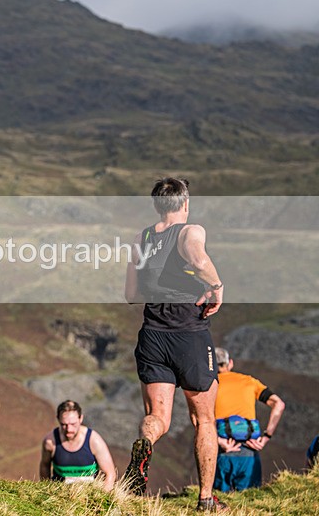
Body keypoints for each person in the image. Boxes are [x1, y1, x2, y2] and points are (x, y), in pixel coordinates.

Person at [123, 177, 227, 511]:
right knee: (204, 419)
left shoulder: (142, 238)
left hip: (153, 333)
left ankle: (145, 442)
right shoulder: (189, 231)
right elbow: (197, 259)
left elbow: (131, 295)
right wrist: (216, 286)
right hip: (189, 335)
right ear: (185, 203)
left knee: (158, 417)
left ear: (156, 205)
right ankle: (206, 498)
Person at [213, 347, 285, 492]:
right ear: (230, 363)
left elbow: (198, 419)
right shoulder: (249, 381)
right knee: (249, 504)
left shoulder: (209, 385)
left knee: (217, 505)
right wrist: (266, 436)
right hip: (249, 451)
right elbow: (279, 404)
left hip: (221, 452)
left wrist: (219, 441)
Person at [39, 400, 116, 491]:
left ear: (81, 419)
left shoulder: (94, 441)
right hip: (59, 495)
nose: (69, 429)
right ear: (58, 419)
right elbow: (44, 465)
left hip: (89, 495)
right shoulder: (50, 442)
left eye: (73, 424)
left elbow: (110, 473)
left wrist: (102, 499)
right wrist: (46, 491)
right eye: (64, 424)